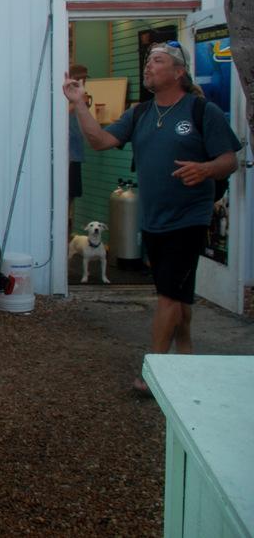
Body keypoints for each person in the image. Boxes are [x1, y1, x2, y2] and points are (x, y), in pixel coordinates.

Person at [63, 41, 239, 394]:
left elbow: (229, 160)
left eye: (156, 61)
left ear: (178, 72)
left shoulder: (203, 112)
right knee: (179, 295)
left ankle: (153, 373)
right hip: (154, 219)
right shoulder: (141, 113)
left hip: (189, 218)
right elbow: (99, 140)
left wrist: (205, 169)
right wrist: (78, 103)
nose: (148, 66)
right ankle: (186, 361)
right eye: (147, 61)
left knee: (168, 296)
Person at [67, 63, 89, 223]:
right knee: (66, 198)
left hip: (75, 154)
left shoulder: (81, 98)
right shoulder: (67, 96)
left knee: (71, 198)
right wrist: (77, 103)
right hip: (68, 156)